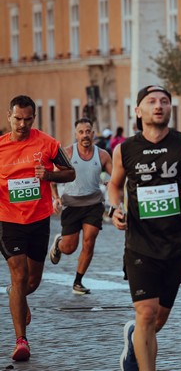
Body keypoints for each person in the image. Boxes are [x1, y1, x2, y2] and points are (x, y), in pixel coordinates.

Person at [108, 85, 181, 371]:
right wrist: (115, 209)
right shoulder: (125, 149)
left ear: (170, 108)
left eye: (164, 101)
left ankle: (135, 342)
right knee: (145, 312)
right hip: (140, 243)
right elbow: (114, 186)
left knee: (158, 320)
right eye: (152, 101)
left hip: (177, 243)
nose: (159, 106)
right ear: (138, 110)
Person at [0, 95, 75, 361]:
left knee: (32, 281)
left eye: (27, 119)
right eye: (17, 118)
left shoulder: (48, 143)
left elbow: (71, 172)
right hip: (8, 221)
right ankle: (21, 341)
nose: (22, 124)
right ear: (9, 115)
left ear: (34, 118)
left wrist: (50, 175)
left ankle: (17, 296)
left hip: (39, 220)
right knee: (19, 276)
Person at [48, 117, 113, 294]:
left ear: (93, 134)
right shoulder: (68, 153)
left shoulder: (103, 155)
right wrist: (56, 198)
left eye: (88, 131)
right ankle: (59, 242)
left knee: (89, 241)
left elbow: (115, 176)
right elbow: (52, 178)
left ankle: (78, 281)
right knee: (69, 248)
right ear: (76, 135)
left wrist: (110, 182)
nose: (85, 135)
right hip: (71, 204)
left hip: (93, 203)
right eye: (81, 132)